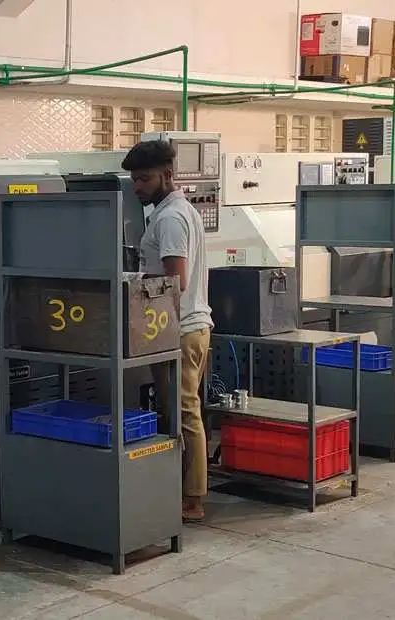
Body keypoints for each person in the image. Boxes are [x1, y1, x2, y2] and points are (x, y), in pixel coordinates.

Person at [122, 140, 213, 521]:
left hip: (179, 330)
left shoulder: (171, 218)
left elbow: (174, 280)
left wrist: (132, 281)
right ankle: (180, 489)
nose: (137, 187)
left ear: (169, 175)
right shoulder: (174, 211)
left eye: (144, 179)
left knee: (183, 410)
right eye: (134, 179)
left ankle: (191, 498)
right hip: (182, 327)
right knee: (176, 408)